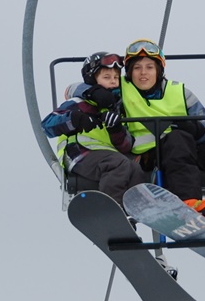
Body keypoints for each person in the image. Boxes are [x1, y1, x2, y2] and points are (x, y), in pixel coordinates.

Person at [75, 39, 205, 243]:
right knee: (177, 139)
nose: (143, 73)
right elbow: (74, 89)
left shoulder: (180, 92)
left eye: (149, 67)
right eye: (137, 68)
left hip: (189, 147)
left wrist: (197, 128)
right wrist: (93, 92)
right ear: (129, 73)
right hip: (151, 155)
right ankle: (188, 203)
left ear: (159, 70)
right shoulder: (121, 89)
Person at [41, 52, 147, 206]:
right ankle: (110, 207)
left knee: (135, 169)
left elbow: (125, 146)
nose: (113, 81)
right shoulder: (79, 103)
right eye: (106, 77)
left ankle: (134, 210)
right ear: (93, 79)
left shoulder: (116, 109)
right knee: (118, 164)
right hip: (79, 153)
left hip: (106, 155)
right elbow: (47, 125)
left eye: (116, 77)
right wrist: (76, 119)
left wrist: (115, 130)